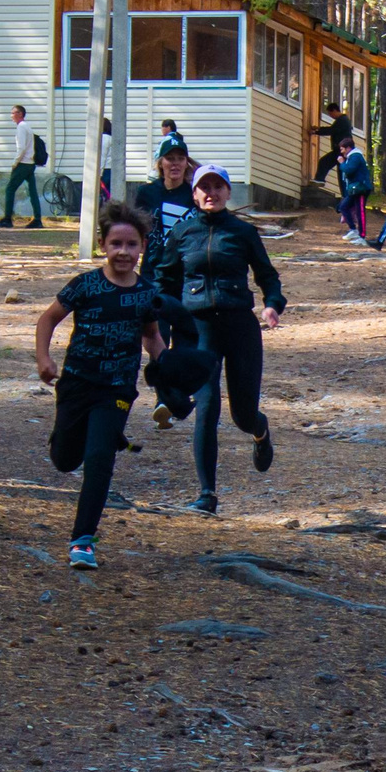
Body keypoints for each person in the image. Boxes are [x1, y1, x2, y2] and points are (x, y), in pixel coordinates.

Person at [32, 202, 172, 571]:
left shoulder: (147, 293)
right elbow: (47, 319)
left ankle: (82, 541)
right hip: (77, 384)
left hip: (117, 391)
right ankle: (68, 439)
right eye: (115, 244)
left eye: (131, 244)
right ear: (103, 245)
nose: (123, 252)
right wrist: (44, 359)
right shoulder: (86, 285)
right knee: (65, 460)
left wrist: (171, 373)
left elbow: (152, 338)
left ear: (142, 246)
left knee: (99, 461)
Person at [155, 165, 284, 515]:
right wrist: (161, 324)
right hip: (198, 332)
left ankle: (260, 431)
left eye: (218, 186)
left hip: (239, 328)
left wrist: (272, 305)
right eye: (204, 187)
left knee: (242, 415)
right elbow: (164, 285)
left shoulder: (243, 232)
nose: (210, 192)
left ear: (228, 193)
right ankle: (207, 494)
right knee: (206, 409)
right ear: (194, 194)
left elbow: (268, 277)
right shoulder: (181, 234)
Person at [2, 104, 45, 229]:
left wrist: (15, 163)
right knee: (32, 191)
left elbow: (21, 148)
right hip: (30, 163)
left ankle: (7, 218)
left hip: (23, 163)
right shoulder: (27, 127)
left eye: (13, 113)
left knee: (10, 189)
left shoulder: (21, 127)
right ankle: (37, 219)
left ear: (20, 114)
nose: (11, 116)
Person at [334, 134, 373, 242]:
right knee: (343, 206)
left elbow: (349, 170)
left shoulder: (355, 156)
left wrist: (342, 163)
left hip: (361, 188)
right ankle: (353, 229)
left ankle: (362, 236)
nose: (341, 152)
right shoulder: (351, 157)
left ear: (348, 148)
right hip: (354, 189)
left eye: (342, 149)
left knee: (360, 211)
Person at [311, 100, 353, 181]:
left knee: (324, 162)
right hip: (343, 150)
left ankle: (319, 180)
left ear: (334, 110)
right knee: (340, 173)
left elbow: (332, 130)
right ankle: (320, 180)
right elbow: (333, 129)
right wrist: (318, 128)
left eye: (330, 113)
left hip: (342, 150)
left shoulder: (342, 120)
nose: (331, 116)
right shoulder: (342, 120)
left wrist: (316, 132)